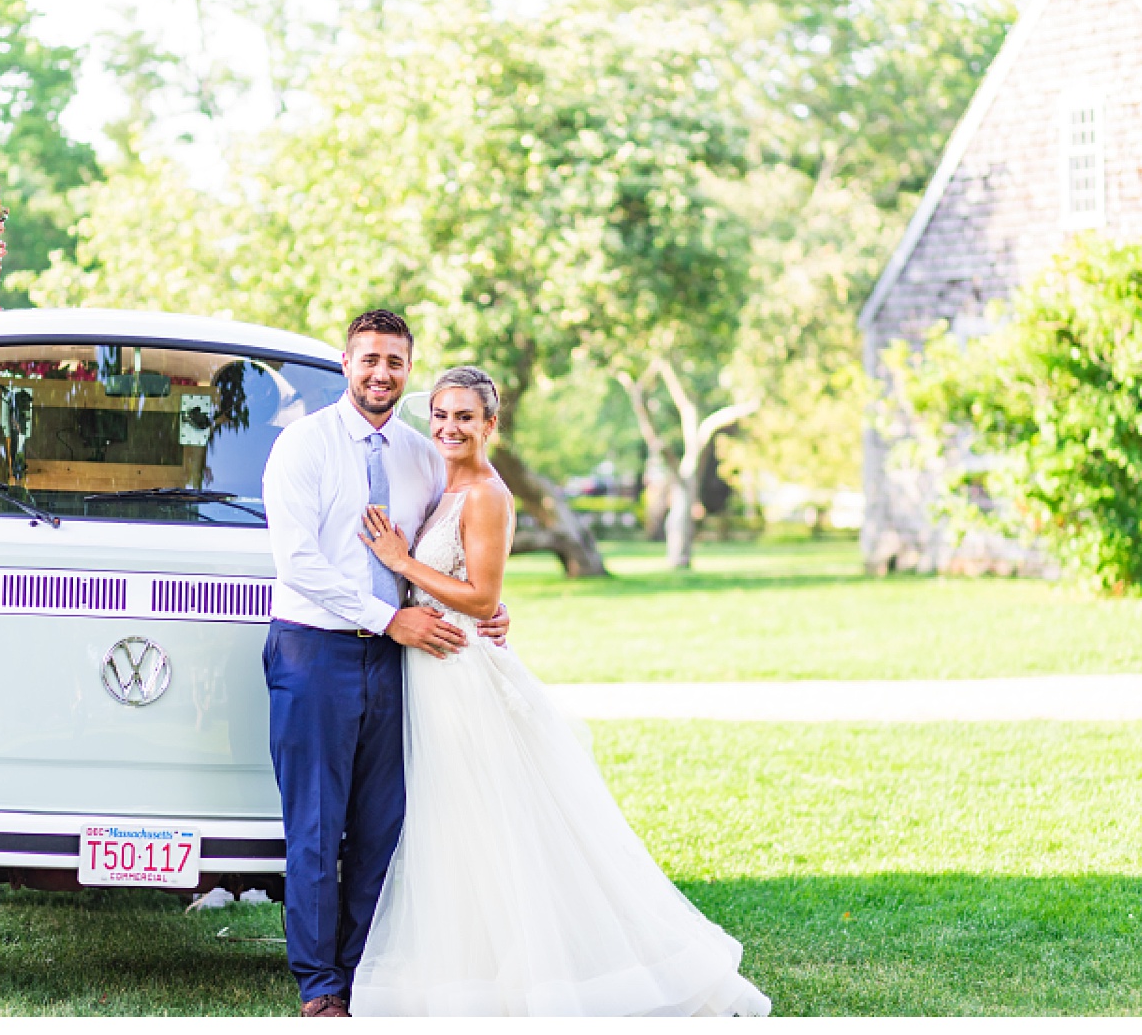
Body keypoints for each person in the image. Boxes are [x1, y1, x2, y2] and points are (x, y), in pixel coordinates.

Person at [350, 366, 772, 1017]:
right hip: (434, 671)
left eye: (465, 417)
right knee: (456, 833)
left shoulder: (487, 493)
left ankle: (546, 978)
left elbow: (482, 596)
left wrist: (401, 562)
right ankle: (475, 977)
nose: (449, 428)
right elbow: (471, 582)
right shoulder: (441, 483)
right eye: (439, 415)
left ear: (492, 424)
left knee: (492, 829)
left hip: (462, 676)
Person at [260, 310, 510, 1018]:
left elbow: (441, 549)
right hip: (315, 652)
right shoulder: (302, 446)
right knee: (315, 826)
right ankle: (320, 987)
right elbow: (298, 563)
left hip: (401, 662)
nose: (381, 373)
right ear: (345, 364)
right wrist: (387, 617)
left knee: (382, 826)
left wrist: (481, 608)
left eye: (395, 362)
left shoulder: (421, 454)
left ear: (408, 368)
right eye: (369, 359)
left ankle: (364, 972)